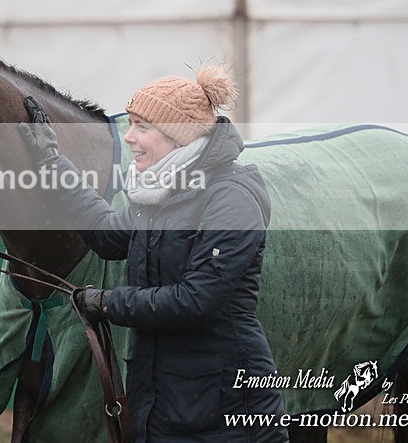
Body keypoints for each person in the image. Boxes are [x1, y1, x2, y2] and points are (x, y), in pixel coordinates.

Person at [18, 67, 288, 442]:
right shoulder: (162, 195)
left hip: (229, 409)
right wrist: (51, 163)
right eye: (130, 124)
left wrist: (109, 303)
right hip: (162, 402)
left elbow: (198, 299)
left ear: (178, 137)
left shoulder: (232, 197)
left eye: (142, 126)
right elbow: (107, 234)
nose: (129, 137)